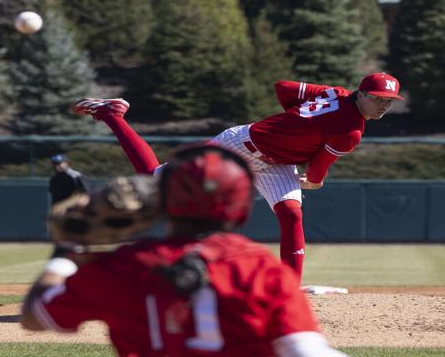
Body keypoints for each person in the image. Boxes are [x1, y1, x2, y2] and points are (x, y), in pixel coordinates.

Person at [19, 141, 445, 357]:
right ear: (242, 203)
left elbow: (36, 316)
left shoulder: (123, 264)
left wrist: (69, 252)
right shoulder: (258, 266)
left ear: (165, 202)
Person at [72, 73, 403, 294]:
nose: (384, 105)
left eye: (388, 101)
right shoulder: (351, 131)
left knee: (291, 215)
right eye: (377, 98)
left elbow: (284, 87)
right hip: (240, 147)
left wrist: (293, 122)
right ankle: (112, 114)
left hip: (276, 162)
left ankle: (289, 288)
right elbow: (318, 168)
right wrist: (313, 178)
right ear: (360, 93)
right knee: (155, 181)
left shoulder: (333, 94)